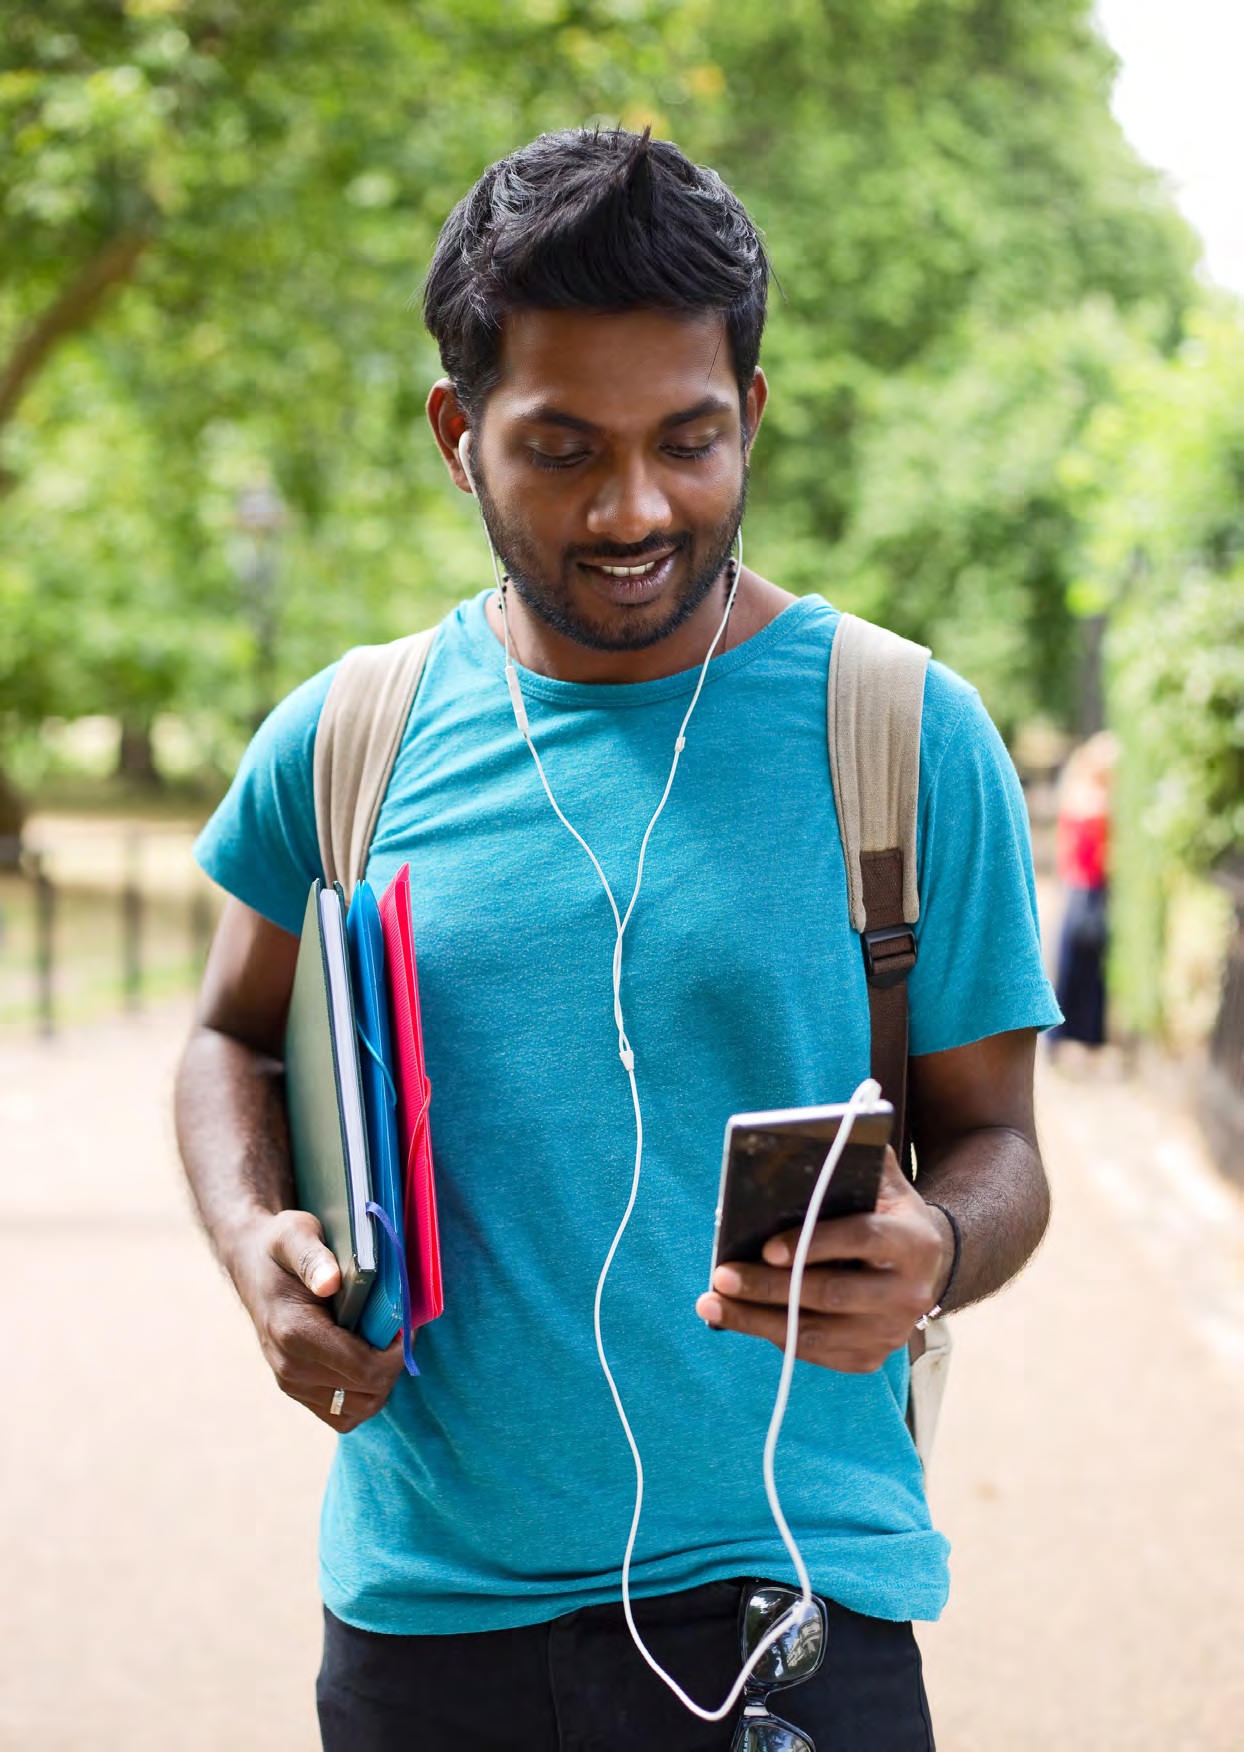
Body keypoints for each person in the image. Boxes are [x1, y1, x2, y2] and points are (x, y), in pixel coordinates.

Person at [175, 128, 1062, 1752]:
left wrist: (935, 1246)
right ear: (459, 434)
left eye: (688, 440)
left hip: (794, 1597)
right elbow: (229, 1033)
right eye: (562, 448)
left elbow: (996, 1144)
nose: (632, 506)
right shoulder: (345, 740)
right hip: (428, 1615)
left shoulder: (900, 736)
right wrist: (257, 1250)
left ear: (752, 418)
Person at [1049, 731, 1118, 1054]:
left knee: (1078, 961)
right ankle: (1077, 1034)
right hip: (1087, 888)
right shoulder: (1093, 800)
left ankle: (1072, 1034)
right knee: (1083, 962)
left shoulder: (1079, 793)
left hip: (1080, 885)